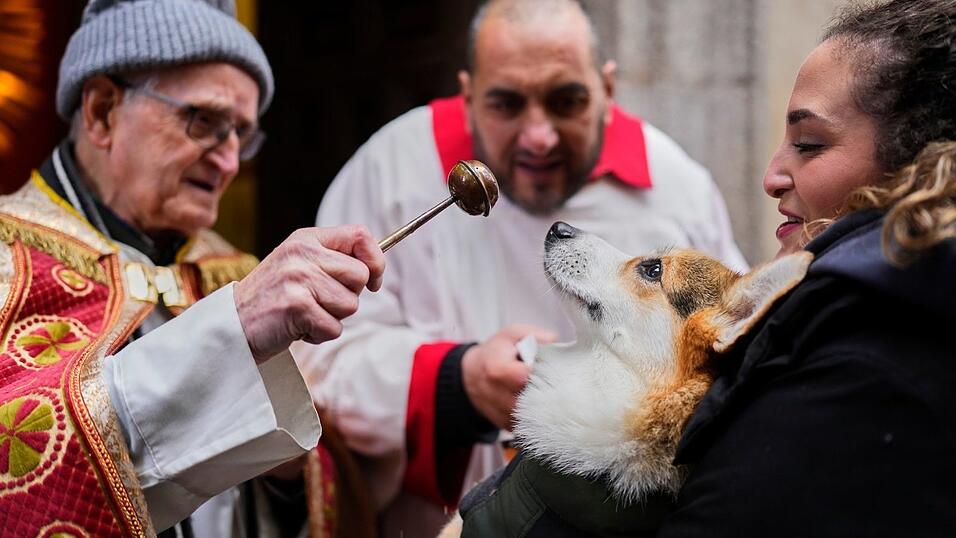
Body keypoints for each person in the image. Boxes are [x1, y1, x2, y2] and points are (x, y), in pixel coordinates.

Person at [456, 0, 956, 535]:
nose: (771, 175)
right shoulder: (844, 314)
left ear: (913, 166)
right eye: (506, 103)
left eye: (808, 144)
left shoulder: (868, 355)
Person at [292, 0, 748, 534]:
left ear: (607, 88)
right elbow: (318, 359)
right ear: (466, 96)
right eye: (506, 105)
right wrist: (458, 382)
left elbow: (727, 356)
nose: (539, 136)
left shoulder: (676, 186)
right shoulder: (392, 168)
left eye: (566, 101)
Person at [0, 1, 385, 537]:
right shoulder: (8, 256)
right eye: (204, 122)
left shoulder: (232, 269)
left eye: (241, 136)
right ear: (103, 112)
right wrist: (234, 328)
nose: (228, 161)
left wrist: (287, 473)